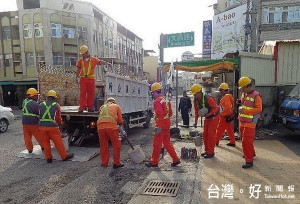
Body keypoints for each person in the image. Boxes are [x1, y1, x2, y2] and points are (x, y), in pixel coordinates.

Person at [145, 83, 180, 167]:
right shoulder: (166, 99)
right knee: (167, 143)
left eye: (153, 92)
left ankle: (154, 162)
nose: (153, 94)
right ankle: (176, 159)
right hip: (167, 124)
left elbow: (160, 115)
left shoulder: (157, 101)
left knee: (157, 143)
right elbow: (170, 113)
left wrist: (158, 127)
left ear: (156, 91)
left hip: (161, 125)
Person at [39, 90, 74, 163]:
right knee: (58, 142)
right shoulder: (56, 105)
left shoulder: (41, 104)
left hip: (42, 127)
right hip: (52, 127)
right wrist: (60, 123)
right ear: (54, 98)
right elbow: (58, 118)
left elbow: (39, 115)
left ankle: (48, 158)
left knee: (45, 143)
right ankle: (64, 156)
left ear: (47, 97)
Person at [238, 76, 262, 168]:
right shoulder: (244, 94)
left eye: (243, 88)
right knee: (245, 140)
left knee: (246, 141)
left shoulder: (256, 95)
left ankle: (249, 161)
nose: (242, 90)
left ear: (248, 86)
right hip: (243, 120)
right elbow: (245, 103)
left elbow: (259, 109)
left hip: (251, 121)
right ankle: (251, 153)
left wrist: (245, 111)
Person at [75, 45, 108, 113]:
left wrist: (106, 63)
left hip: (91, 79)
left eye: (84, 53)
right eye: (82, 54)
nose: (83, 55)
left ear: (87, 52)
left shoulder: (93, 59)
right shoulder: (80, 61)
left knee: (91, 93)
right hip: (83, 79)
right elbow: (78, 69)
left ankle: (90, 107)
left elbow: (100, 62)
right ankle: (82, 107)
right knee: (82, 93)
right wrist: (76, 77)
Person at [191, 84, 219, 159]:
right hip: (207, 118)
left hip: (213, 117)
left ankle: (211, 152)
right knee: (205, 134)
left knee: (211, 135)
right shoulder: (195, 100)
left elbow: (216, 108)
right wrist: (196, 121)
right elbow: (197, 111)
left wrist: (209, 113)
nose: (194, 95)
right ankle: (207, 150)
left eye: (195, 94)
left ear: (199, 92)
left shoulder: (208, 98)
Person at [97, 97, 125, 169]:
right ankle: (116, 163)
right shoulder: (117, 106)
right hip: (112, 127)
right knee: (116, 145)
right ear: (114, 102)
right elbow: (120, 121)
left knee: (103, 145)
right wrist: (123, 132)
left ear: (107, 102)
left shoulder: (102, 107)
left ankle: (104, 163)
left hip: (100, 127)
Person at [22, 88, 44, 153]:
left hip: (25, 122)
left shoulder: (24, 101)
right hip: (33, 122)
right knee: (38, 135)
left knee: (27, 137)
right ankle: (43, 147)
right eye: (36, 96)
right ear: (33, 96)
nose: (36, 97)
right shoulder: (34, 103)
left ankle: (29, 149)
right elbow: (38, 112)